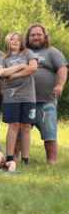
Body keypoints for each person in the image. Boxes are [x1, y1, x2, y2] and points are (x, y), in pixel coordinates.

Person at [25, 24, 67, 164]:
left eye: (39, 34)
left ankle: (51, 162)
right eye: (33, 35)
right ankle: (18, 159)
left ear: (44, 36)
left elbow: (62, 68)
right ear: (28, 37)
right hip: (25, 100)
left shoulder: (52, 52)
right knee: (21, 132)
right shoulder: (23, 52)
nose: (36, 37)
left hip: (46, 101)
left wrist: (60, 85)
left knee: (49, 133)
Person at [0, 32, 38, 165]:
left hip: (28, 96)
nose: (14, 41)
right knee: (13, 125)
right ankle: (10, 157)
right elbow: (2, 72)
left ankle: (25, 159)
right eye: (11, 39)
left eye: (17, 40)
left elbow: (32, 68)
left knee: (26, 126)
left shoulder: (28, 53)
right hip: (11, 97)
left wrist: (14, 75)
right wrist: (21, 66)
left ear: (21, 42)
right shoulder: (3, 58)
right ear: (7, 42)